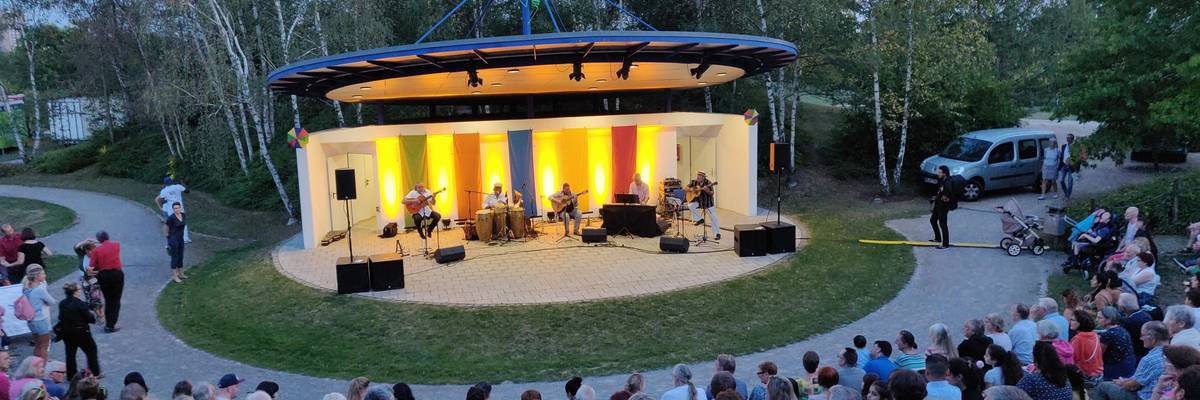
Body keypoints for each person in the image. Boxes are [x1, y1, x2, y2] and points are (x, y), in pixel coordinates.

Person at [1093, 321, 1169, 400]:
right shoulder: (1174, 353)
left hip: (1145, 397)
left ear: (1152, 338)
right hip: (1167, 396)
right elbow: (1141, 379)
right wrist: (1127, 381)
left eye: (1142, 335)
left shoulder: (1149, 359)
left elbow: (1133, 386)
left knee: (1101, 386)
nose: (1141, 338)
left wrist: (1122, 383)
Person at [58, 281, 99, 380]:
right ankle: (94, 373)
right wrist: (93, 315)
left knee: (70, 354)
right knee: (91, 351)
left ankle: (71, 375)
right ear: (75, 292)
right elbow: (90, 319)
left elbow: (60, 317)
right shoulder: (81, 304)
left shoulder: (62, 303)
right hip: (81, 332)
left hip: (67, 332)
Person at [87, 231, 124, 333]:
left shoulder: (96, 251)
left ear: (98, 240)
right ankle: (111, 324)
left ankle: (109, 324)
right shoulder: (116, 245)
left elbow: (90, 269)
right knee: (116, 300)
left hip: (103, 276)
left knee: (108, 299)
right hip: (116, 274)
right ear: (108, 236)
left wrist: (98, 272)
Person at [20, 265, 55, 360]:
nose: (45, 275)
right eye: (42, 274)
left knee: (37, 345)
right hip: (40, 320)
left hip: (31, 321)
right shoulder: (39, 290)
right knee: (44, 346)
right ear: (37, 276)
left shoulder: (26, 289)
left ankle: (35, 365)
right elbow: (52, 302)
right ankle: (43, 366)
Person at [1100, 306, 1139, 380]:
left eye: (1100, 318)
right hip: (1129, 364)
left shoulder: (1108, 335)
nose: (1097, 320)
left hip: (1115, 368)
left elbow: (1099, 354)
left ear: (1109, 320)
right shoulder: (1122, 329)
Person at [686, 170, 720, 241]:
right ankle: (700, 219)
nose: (698, 177)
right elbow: (686, 188)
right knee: (690, 205)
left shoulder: (709, 183)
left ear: (703, 177)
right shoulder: (694, 182)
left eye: (700, 176)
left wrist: (707, 190)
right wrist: (692, 189)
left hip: (707, 202)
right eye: (698, 175)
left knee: (713, 218)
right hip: (698, 201)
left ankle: (717, 234)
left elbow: (712, 193)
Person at [1070, 309, 1103, 380]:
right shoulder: (1094, 335)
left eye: (1073, 320)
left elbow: (1072, 358)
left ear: (1081, 323)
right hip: (1098, 373)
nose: (1070, 322)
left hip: (1086, 374)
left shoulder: (1078, 338)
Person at [156, 177, 191, 243]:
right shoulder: (178, 186)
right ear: (171, 181)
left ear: (165, 183)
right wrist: (183, 183)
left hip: (171, 209)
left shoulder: (164, 191)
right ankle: (185, 238)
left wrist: (166, 201)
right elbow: (187, 191)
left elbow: (161, 200)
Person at [929, 165, 957, 249]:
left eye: (940, 172)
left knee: (943, 224)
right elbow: (940, 192)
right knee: (933, 220)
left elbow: (947, 196)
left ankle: (945, 244)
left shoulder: (948, 183)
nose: (938, 174)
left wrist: (943, 199)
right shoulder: (942, 180)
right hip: (938, 204)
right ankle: (938, 238)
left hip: (943, 207)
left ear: (944, 174)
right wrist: (936, 197)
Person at [163, 202, 188, 283]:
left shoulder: (183, 215)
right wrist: (167, 237)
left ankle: (181, 273)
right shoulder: (171, 218)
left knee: (181, 256)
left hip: (181, 238)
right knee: (175, 257)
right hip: (173, 239)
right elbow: (166, 227)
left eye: (178, 208)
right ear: (173, 209)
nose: (177, 209)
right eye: (175, 208)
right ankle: (175, 276)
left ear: (180, 208)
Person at [1058, 134, 1077, 200]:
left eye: (1069, 138)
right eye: (1067, 138)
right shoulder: (1063, 146)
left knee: (1070, 183)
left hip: (1071, 167)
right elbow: (1062, 156)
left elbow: (1077, 158)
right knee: (1061, 180)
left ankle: (1067, 196)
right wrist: (1059, 167)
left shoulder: (1075, 147)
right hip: (1064, 165)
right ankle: (1066, 193)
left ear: (1072, 139)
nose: (1067, 139)